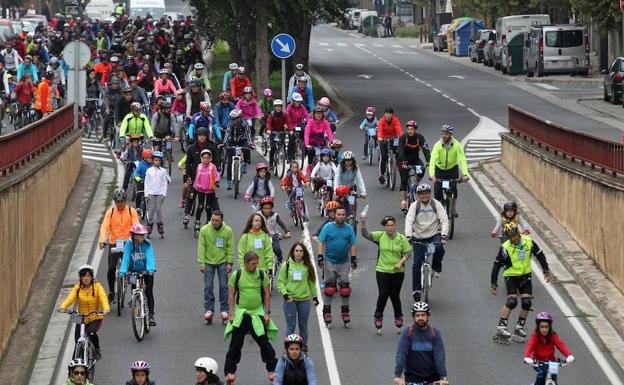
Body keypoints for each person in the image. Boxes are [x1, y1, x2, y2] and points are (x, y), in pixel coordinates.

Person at [224, 251, 278, 384]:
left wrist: (266, 313)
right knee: (235, 344)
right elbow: (231, 295)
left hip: (257, 314)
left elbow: (266, 294)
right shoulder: (237, 275)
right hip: (242, 314)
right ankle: (230, 372)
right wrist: (231, 313)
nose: (256, 266)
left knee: (264, 343)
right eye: (253, 264)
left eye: (257, 263)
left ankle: (272, 369)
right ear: (246, 263)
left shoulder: (261, 274)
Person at [491, 224, 551, 343]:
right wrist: (494, 283)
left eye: (515, 237)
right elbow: (496, 265)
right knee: (512, 301)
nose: (514, 239)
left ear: (519, 234)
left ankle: (519, 327)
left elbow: (539, 255)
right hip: (511, 276)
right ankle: (501, 327)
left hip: (525, 276)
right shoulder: (505, 247)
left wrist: (545, 270)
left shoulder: (528, 242)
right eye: (511, 238)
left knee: (527, 303)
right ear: (508, 238)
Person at [361, 214, 412, 333]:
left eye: (392, 225)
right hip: (382, 270)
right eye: (388, 225)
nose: (390, 227)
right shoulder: (380, 236)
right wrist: (363, 222)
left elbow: (408, 252)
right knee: (383, 294)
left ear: (395, 226)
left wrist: (401, 262)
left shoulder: (401, 238)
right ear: (385, 227)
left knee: (394, 295)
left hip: (397, 271)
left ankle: (398, 316)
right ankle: (378, 316)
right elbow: (365, 234)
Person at [404, 183, 448, 301]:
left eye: (426, 193)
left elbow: (444, 220)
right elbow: (409, 221)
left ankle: (436, 268)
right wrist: (408, 236)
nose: (424, 196)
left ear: (430, 193)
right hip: (418, 237)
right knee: (416, 264)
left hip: (433, 235)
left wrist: (444, 235)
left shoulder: (436, 204)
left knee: (439, 248)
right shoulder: (414, 206)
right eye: (421, 194)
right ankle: (416, 290)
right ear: (418, 195)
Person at [59, 264, 110, 360]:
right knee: (77, 341)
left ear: (91, 277)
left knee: (91, 333)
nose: (86, 278)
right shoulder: (77, 287)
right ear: (80, 277)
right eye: (83, 276)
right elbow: (70, 298)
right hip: (80, 317)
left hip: (95, 316)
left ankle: (97, 350)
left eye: (88, 275)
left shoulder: (97, 287)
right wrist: (63, 307)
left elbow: (103, 298)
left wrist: (106, 309)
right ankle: (75, 365)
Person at [317, 206, 357, 327]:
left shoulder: (349, 228)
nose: (340, 216)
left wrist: (353, 258)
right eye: (338, 214)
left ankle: (345, 312)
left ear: (345, 216)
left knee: (345, 289)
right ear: (335, 215)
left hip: (344, 262)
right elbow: (321, 242)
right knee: (329, 289)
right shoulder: (327, 227)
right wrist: (320, 257)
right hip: (330, 261)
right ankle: (327, 311)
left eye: (343, 215)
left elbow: (353, 244)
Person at [99, 189, 140, 302]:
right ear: (115, 202)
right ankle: (112, 291)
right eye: (117, 202)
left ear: (125, 201)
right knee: (111, 269)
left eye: (122, 201)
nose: (120, 204)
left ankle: (133, 293)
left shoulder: (132, 212)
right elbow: (104, 227)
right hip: (114, 243)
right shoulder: (110, 212)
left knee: (133, 269)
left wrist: (136, 238)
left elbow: (136, 226)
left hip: (128, 243)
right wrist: (102, 240)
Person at [394, 302, 448, 385]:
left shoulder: (435, 333)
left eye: (423, 315)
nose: (420, 318)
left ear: (428, 316)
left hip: (432, 376)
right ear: (413, 317)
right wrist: (398, 376)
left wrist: (443, 377)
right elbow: (401, 354)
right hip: (413, 376)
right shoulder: (408, 332)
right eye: (417, 315)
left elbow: (439, 356)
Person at [277, 242, 318, 350]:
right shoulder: (286, 265)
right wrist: (285, 295)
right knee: (291, 326)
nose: (299, 253)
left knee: (303, 326)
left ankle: (303, 348)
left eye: (301, 251)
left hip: (304, 300)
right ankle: (288, 350)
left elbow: (312, 283)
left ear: (303, 253)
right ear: (293, 252)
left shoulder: (307, 266)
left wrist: (315, 297)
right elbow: (280, 282)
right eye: (297, 251)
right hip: (290, 301)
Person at [198, 210, 234, 324]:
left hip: (222, 261)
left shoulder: (227, 231)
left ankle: (224, 310)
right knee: (208, 287)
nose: (214, 222)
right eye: (212, 220)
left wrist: (230, 262)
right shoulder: (204, 230)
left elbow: (230, 247)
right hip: (208, 262)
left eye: (217, 220)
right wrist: (201, 263)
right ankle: (209, 309)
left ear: (222, 220)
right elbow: (201, 247)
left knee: (224, 287)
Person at [118, 224, 157, 325]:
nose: (143, 237)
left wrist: (150, 269)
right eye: (141, 235)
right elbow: (126, 258)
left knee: (149, 292)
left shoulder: (147, 244)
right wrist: (122, 271)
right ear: (134, 235)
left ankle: (151, 315)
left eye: (143, 235)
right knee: (134, 290)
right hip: (133, 271)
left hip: (146, 271)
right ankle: (136, 309)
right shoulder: (128, 244)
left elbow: (150, 257)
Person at [524, 312, 575, 385]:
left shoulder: (553, 335)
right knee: (541, 374)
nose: (544, 329)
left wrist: (569, 355)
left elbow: (560, 345)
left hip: (552, 362)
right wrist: (527, 357)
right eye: (542, 327)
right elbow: (530, 346)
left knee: (553, 376)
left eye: (546, 327)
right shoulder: (535, 336)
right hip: (538, 362)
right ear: (538, 327)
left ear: (549, 327)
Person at [184, 128, 218, 227]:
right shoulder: (191, 148)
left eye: (203, 135)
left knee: (211, 199)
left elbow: (216, 161)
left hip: (208, 178)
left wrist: (215, 177)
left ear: (207, 136)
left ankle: (217, 216)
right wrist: (188, 176)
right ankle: (186, 213)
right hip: (195, 177)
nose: (201, 137)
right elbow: (187, 163)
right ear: (197, 136)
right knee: (191, 195)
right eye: (199, 135)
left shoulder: (211, 147)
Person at [429, 124, 469, 206]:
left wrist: (465, 174)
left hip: (452, 169)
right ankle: (439, 211)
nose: (444, 136)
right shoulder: (437, 145)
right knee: (437, 194)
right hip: (439, 170)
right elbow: (432, 160)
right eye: (443, 133)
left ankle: (453, 208)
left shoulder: (457, 145)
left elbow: (462, 159)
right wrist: (432, 175)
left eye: (446, 134)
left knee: (453, 189)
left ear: (450, 134)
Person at [397, 120, 431, 211]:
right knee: (404, 180)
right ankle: (403, 201)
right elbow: (400, 150)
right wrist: (403, 162)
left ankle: (416, 183)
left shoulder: (420, 138)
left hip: (415, 159)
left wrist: (429, 161)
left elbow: (425, 149)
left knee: (422, 170)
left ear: (415, 130)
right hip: (403, 161)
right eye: (408, 129)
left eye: (412, 129)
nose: (410, 131)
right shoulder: (402, 138)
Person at [222, 109, 253, 188]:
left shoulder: (244, 124)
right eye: (232, 119)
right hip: (232, 141)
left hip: (242, 140)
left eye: (234, 119)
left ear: (239, 118)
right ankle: (229, 181)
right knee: (229, 161)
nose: (233, 121)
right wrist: (224, 144)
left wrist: (249, 143)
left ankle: (245, 163)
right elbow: (227, 134)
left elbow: (248, 134)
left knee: (247, 148)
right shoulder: (230, 124)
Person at [193, 149, 221, 234]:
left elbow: (216, 175)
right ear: (201, 158)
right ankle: (197, 221)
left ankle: (209, 221)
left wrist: (216, 182)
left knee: (208, 207)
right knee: (200, 206)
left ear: (210, 158)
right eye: (204, 158)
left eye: (207, 158)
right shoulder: (199, 166)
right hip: (201, 189)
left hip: (210, 190)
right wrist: (195, 186)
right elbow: (197, 176)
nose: (206, 159)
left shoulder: (212, 167)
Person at [257, 196, 291, 266]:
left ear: (271, 208)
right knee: (257, 250)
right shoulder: (258, 215)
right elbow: (252, 224)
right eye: (265, 208)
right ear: (262, 208)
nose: (267, 210)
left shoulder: (275, 215)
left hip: (273, 235)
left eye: (269, 208)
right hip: (260, 235)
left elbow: (282, 224)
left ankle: (280, 259)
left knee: (276, 249)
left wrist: (287, 232)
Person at [144, 151, 171, 236]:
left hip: (159, 193)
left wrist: (164, 194)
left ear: (161, 161)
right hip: (151, 193)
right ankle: (150, 224)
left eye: (159, 161)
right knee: (151, 209)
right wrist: (146, 194)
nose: (157, 162)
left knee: (158, 209)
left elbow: (164, 183)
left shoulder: (163, 171)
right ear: (153, 160)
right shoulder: (149, 171)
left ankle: (160, 224)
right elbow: (146, 182)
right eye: (155, 160)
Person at [333, 151, 366, 217]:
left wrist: (363, 191)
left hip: (351, 188)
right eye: (346, 160)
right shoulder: (340, 167)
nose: (348, 162)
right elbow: (337, 178)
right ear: (343, 161)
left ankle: (353, 216)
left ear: (352, 160)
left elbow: (359, 179)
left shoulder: (355, 167)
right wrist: (335, 190)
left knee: (352, 201)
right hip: (341, 188)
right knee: (340, 203)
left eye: (350, 160)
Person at [304, 106, 333, 176]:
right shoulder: (310, 122)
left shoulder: (325, 122)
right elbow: (307, 133)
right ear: (314, 114)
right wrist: (307, 144)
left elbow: (329, 132)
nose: (318, 115)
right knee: (311, 152)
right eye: (316, 113)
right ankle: (309, 166)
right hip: (312, 143)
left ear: (322, 114)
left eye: (320, 113)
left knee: (327, 154)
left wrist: (332, 141)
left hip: (321, 143)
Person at [377, 107, 403, 185]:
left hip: (393, 139)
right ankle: (382, 175)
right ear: (385, 114)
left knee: (398, 152)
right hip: (383, 139)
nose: (388, 115)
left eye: (390, 113)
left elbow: (398, 129)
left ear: (392, 114)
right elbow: (380, 130)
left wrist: (401, 137)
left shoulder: (395, 120)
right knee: (384, 156)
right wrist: (380, 137)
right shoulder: (381, 120)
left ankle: (397, 166)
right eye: (387, 113)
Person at [266, 98, 294, 165]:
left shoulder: (284, 114)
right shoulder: (272, 114)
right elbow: (268, 123)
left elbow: (289, 122)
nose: (278, 108)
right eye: (276, 106)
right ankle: (271, 164)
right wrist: (269, 130)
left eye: (279, 106)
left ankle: (285, 157)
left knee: (282, 145)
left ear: (281, 107)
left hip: (281, 132)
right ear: (274, 107)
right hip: (273, 132)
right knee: (273, 148)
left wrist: (291, 130)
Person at [133, 150, 154, 215]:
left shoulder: (153, 165)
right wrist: (137, 178)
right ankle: (138, 207)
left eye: (152, 158)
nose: (151, 159)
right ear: (145, 158)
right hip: (141, 181)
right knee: (139, 193)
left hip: (149, 182)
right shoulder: (141, 165)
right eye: (149, 158)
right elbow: (135, 172)